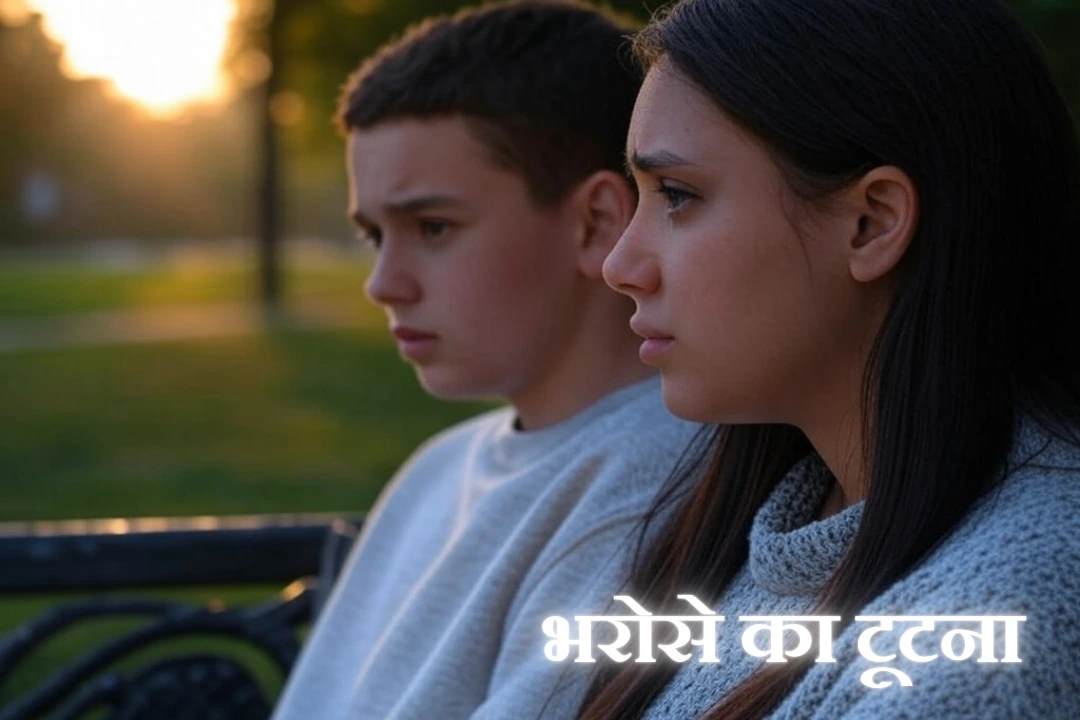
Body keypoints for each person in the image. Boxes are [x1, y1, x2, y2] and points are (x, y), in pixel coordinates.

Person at [576, 0, 1080, 718]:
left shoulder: (997, 628)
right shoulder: (760, 527)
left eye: (678, 196)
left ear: (872, 223)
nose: (621, 264)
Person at [270, 2, 700, 719]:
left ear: (595, 223)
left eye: (432, 227)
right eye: (374, 235)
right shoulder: (440, 465)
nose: (383, 283)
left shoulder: (652, 491)